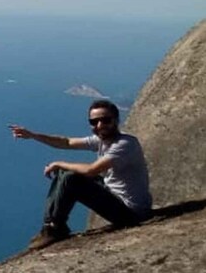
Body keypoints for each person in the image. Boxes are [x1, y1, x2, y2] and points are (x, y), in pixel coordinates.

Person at [9, 99, 152, 251]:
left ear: (116, 120)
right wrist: (32, 135)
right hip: (115, 195)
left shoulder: (124, 144)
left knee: (71, 178)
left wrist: (59, 163)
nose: (100, 125)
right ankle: (49, 226)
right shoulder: (101, 140)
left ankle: (56, 228)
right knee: (64, 174)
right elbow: (66, 142)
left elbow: (91, 170)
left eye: (106, 120)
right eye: (94, 121)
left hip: (132, 213)